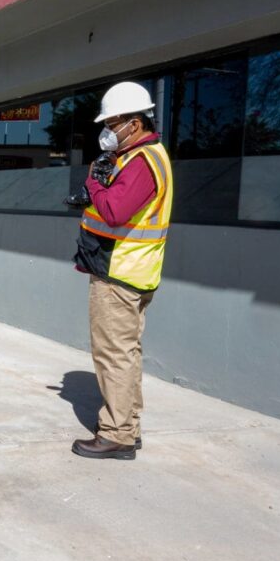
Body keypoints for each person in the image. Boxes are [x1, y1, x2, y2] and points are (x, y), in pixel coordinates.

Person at [72, 81, 173, 460]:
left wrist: (92, 184)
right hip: (132, 270)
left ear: (134, 123)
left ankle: (116, 435)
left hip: (120, 273)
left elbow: (114, 211)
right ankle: (128, 427)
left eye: (113, 124)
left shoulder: (144, 161)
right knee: (126, 354)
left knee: (113, 355)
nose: (109, 131)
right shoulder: (139, 158)